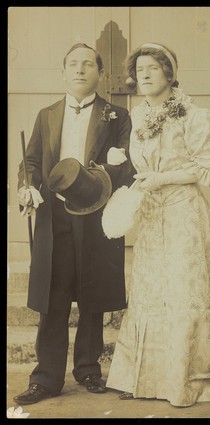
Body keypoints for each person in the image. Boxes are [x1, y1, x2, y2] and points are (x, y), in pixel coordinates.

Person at [106, 43, 210, 407]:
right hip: (153, 215)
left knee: (184, 291)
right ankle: (150, 378)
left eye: (153, 67)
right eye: (140, 69)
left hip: (184, 213)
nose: (145, 74)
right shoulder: (137, 116)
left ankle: (184, 379)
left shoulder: (195, 115)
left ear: (170, 73)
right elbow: (142, 165)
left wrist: (162, 180)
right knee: (153, 292)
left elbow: (205, 168)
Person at [14, 42, 133, 405]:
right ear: (63, 72)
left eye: (87, 64)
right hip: (55, 217)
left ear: (100, 72)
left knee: (93, 294)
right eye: (72, 64)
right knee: (53, 295)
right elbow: (30, 162)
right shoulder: (46, 114)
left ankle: (88, 369)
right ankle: (46, 378)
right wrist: (27, 188)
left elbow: (128, 166)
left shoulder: (117, 116)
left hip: (96, 213)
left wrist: (107, 171)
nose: (80, 70)